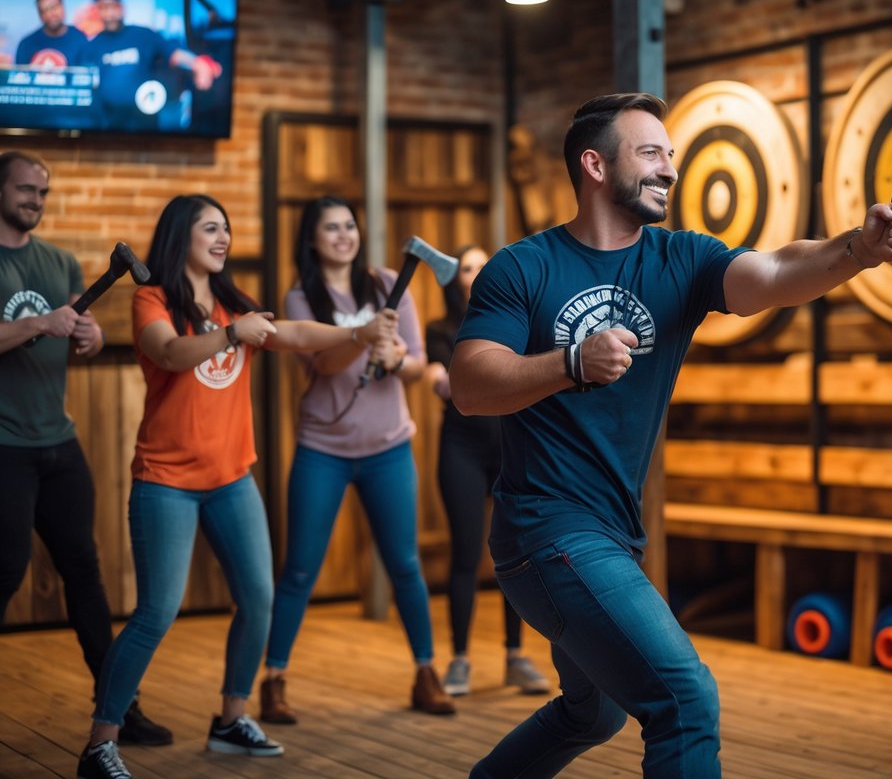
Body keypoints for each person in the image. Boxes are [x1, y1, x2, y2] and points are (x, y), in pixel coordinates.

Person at [448, 92, 892, 778]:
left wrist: (859, 248)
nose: (669, 168)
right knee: (684, 698)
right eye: (650, 153)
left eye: (671, 155)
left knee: (594, 713)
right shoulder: (524, 268)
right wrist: (570, 363)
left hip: (611, 533)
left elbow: (779, 271)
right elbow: (470, 384)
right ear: (593, 164)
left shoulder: (680, 261)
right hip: (545, 531)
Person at [76, 194, 398, 779]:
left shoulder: (231, 300)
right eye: (210, 229)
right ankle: (101, 742)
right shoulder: (153, 298)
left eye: (226, 229)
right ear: (181, 237)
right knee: (156, 612)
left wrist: (356, 333)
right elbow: (170, 354)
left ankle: (231, 718)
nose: (222, 238)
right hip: (166, 481)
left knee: (259, 599)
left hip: (231, 480)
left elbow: (295, 333)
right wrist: (231, 335)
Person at [257, 196, 455, 723]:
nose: (344, 235)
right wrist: (362, 336)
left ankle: (426, 672)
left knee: (405, 564)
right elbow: (321, 363)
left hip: (389, 445)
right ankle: (273, 679)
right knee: (299, 568)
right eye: (331, 228)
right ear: (313, 239)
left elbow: (417, 364)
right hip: (324, 449)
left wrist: (396, 359)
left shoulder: (389, 283)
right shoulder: (301, 297)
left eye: (350, 225)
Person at [0, 151, 172, 751]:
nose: (36, 202)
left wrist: (90, 336)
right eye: (26, 190)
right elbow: (35, 327)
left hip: (58, 441)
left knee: (86, 573)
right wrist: (34, 325)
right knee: (5, 572)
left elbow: (80, 338)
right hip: (5, 448)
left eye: (43, 193)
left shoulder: (59, 261)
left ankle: (120, 709)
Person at [425, 245, 551, 698]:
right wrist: (445, 379)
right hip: (460, 450)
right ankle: (459, 659)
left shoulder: (516, 321)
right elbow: (441, 379)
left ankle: (516, 656)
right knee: (464, 555)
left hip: (510, 448)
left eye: (482, 265)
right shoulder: (440, 330)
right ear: (454, 279)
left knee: (515, 555)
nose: (475, 273)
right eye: (466, 267)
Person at [78, 0, 220, 131]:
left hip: (144, 123)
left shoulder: (143, 35)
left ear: (122, 8)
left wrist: (198, 63)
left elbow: (173, 54)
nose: (109, 13)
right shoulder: (92, 46)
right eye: (104, 8)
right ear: (98, 11)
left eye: (113, 6)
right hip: (107, 125)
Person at [15, 0, 88, 67]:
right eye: (44, 10)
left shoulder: (79, 38)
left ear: (63, 7)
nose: (51, 14)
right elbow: (19, 76)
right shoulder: (27, 44)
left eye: (54, 7)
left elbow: (86, 75)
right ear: (40, 15)